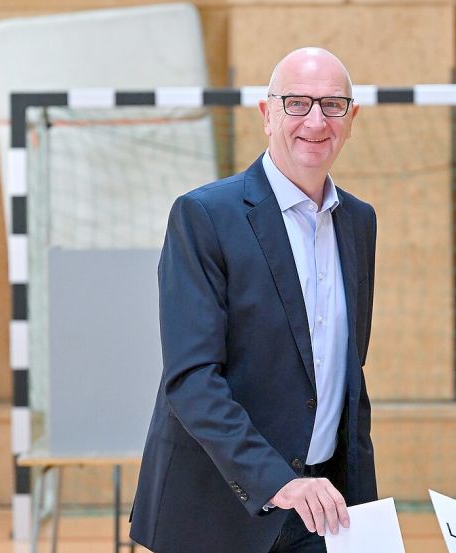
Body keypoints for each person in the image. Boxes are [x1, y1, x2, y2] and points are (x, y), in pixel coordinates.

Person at [129, 47, 377, 553]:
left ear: (351, 119)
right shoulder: (204, 215)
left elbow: (343, 375)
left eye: (332, 105)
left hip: (323, 506)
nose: (315, 120)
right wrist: (276, 482)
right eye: (296, 103)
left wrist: (360, 504)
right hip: (220, 511)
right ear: (267, 115)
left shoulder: (360, 222)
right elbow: (192, 380)